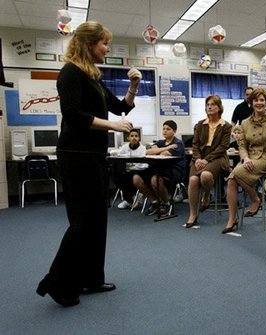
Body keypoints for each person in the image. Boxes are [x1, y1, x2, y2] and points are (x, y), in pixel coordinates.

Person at [36, 21, 142, 307]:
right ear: (89, 44)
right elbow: (72, 114)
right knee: (82, 222)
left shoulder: (92, 76)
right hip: (75, 156)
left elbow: (121, 107)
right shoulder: (70, 72)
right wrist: (114, 126)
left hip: (93, 156)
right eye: (104, 43)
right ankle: (57, 283)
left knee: (97, 220)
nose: (107, 48)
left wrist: (133, 86)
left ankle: (91, 278)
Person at [222, 88, 266, 234]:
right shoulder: (244, 123)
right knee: (231, 180)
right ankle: (234, 217)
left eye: (262, 100)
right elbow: (242, 145)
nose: (259, 103)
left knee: (235, 175)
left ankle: (255, 199)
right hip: (249, 157)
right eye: (256, 100)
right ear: (251, 102)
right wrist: (245, 158)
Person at [186, 95, 232, 228]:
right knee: (194, 180)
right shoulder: (200, 124)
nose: (210, 107)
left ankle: (206, 196)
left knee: (206, 176)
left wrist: (206, 160)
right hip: (199, 157)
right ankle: (193, 214)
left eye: (213, 104)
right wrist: (198, 158)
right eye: (208, 105)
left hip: (217, 157)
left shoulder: (226, 126)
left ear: (219, 108)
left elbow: (223, 147)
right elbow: (195, 144)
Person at [133, 120, 186, 217]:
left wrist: (158, 150)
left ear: (174, 131)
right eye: (164, 129)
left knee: (155, 180)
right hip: (158, 168)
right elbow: (148, 152)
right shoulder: (161, 142)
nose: (165, 131)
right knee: (136, 179)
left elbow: (164, 155)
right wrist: (166, 148)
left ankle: (166, 203)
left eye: (168, 129)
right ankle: (154, 202)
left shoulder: (178, 143)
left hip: (174, 170)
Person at [112, 128, 148, 210]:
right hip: (128, 171)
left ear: (139, 138)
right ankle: (131, 197)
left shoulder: (142, 148)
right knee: (116, 174)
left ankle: (128, 199)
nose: (134, 138)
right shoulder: (125, 147)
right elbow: (118, 152)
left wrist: (132, 168)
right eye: (132, 136)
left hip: (139, 171)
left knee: (127, 176)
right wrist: (114, 153)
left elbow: (144, 165)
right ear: (128, 138)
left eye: (136, 136)